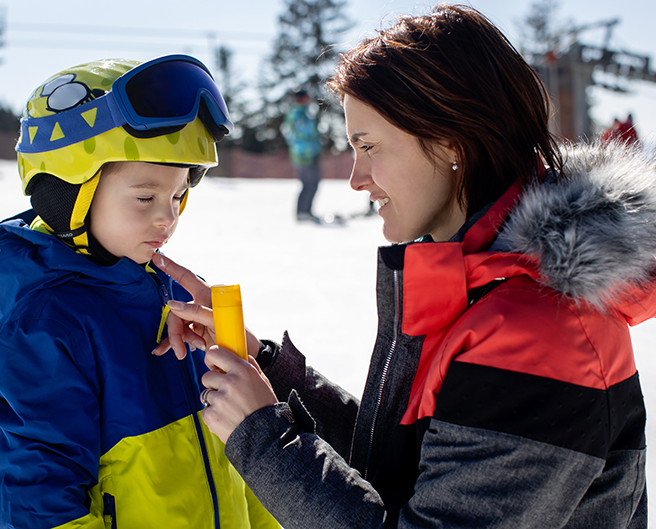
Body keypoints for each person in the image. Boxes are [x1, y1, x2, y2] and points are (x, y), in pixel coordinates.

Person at [151, 6, 655, 529]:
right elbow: (398, 462)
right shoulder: (480, 290)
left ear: (450, 139)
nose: (355, 178)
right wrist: (269, 367)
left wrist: (262, 434)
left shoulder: (541, 333)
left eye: (368, 147)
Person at [0, 56, 279, 529]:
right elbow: (41, 502)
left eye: (176, 197)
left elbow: (237, 464)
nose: (167, 219)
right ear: (69, 193)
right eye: (145, 197)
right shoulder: (48, 329)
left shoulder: (171, 300)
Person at [283, 89, 323, 223]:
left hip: (307, 154)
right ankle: (302, 213)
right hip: (305, 155)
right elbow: (305, 133)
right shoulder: (298, 114)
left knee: (311, 184)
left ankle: (306, 211)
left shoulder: (302, 113)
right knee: (309, 184)